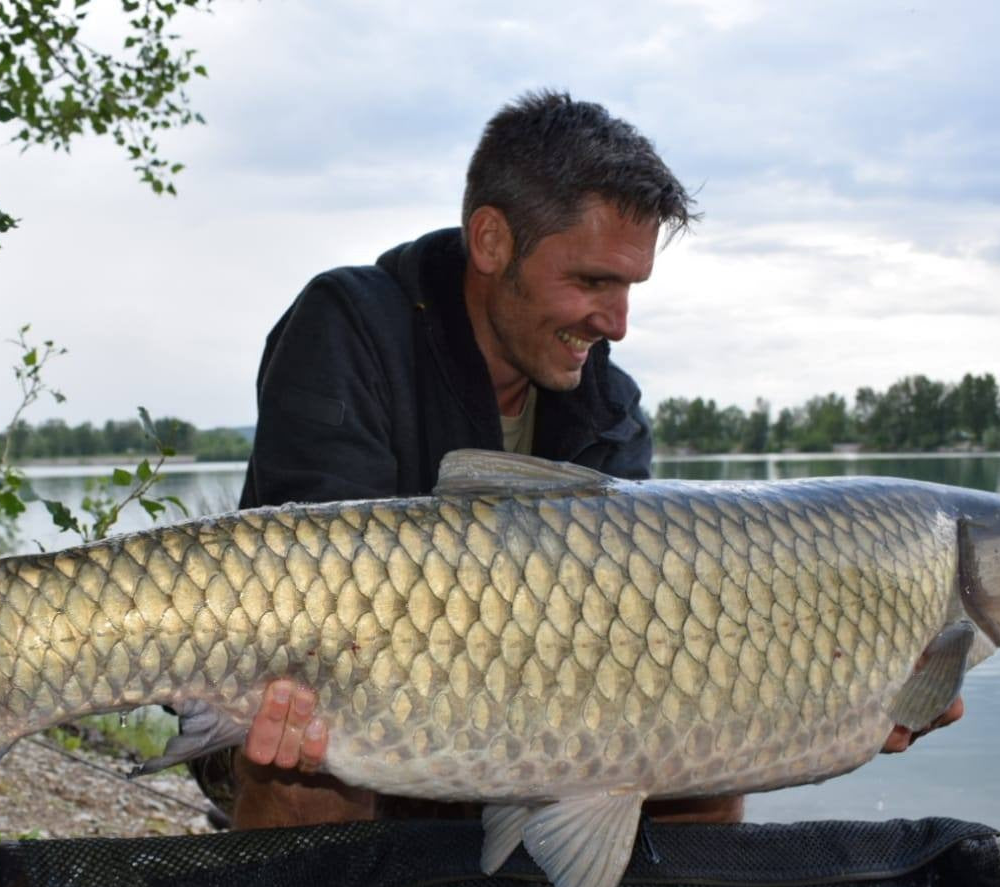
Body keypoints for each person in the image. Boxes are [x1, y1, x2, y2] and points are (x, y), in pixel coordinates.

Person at [206, 90, 960, 830]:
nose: (617, 323)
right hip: (313, 679)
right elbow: (311, 580)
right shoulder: (352, 325)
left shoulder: (607, 407)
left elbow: (640, 622)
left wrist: (848, 694)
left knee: (706, 781)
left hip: (523, 699)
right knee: (313, 770)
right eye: (592, 282)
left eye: (629, 286)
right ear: (492, 241)